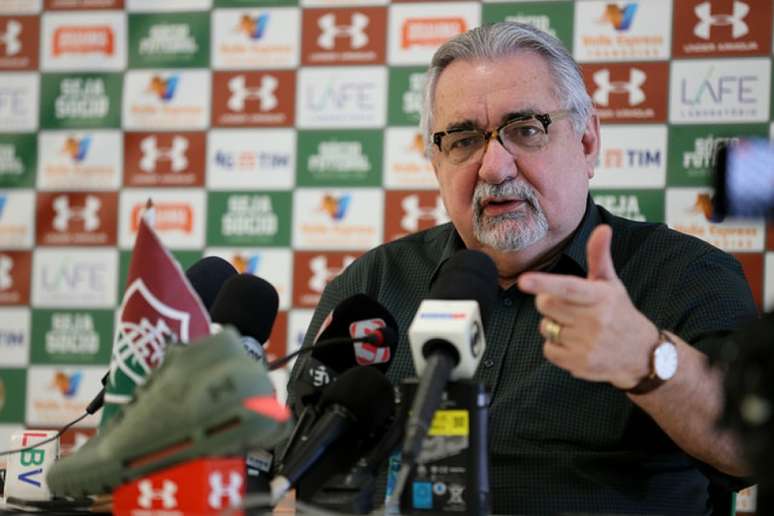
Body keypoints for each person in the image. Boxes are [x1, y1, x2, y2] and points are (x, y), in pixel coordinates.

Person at [288, 22, 757, 514]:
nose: (494, 167)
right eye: (464, 139)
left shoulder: (685, 274)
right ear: (436, 163)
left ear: (587, 141)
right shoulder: (374, 285)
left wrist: (646, 361)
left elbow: (749, 451)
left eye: (526, 130)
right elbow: (296, 468)